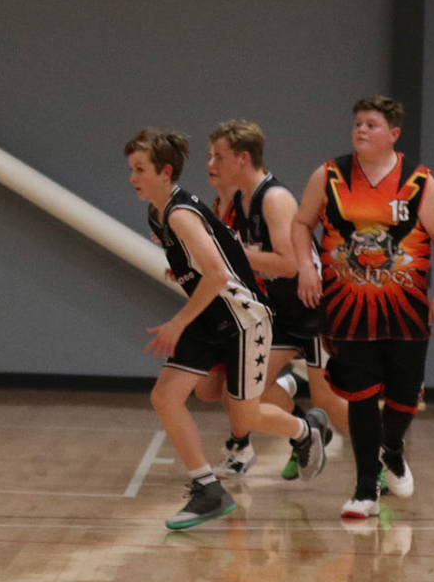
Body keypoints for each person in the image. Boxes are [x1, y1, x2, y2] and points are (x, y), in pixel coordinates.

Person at [125, 129, 330, 530]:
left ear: (165, 172)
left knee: (245, 415)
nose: (133, 177)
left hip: (243, 320)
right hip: (211, 317)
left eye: (140, 169)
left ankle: (305, 430)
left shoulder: (179, 215)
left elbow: (218, 274)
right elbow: (217, 256)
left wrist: (176, 323)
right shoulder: (158, 213)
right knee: (166, 396)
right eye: (131, 169)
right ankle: (208, 490)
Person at [291, 96, 434, 520]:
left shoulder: (418, 182)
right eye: (358, 123)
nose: (361, 130)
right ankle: (365, 489)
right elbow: (301, 223)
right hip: (347, 310)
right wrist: (306, 267)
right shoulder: (329, 175)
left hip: (407, 310)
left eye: (371, 124)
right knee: (361, 397)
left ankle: (392, 449)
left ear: (394, 134)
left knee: (404, 399)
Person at [203, 119, 348, 480]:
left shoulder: (274, 198)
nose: (211, 163)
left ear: (243, 158)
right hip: (282, 313)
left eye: (219, 156)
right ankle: (306, 431)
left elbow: (289, 264)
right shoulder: (241, 200)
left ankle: (383, 458)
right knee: (246, 391)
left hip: (314, 310)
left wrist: (234, 253)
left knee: (328, 399)